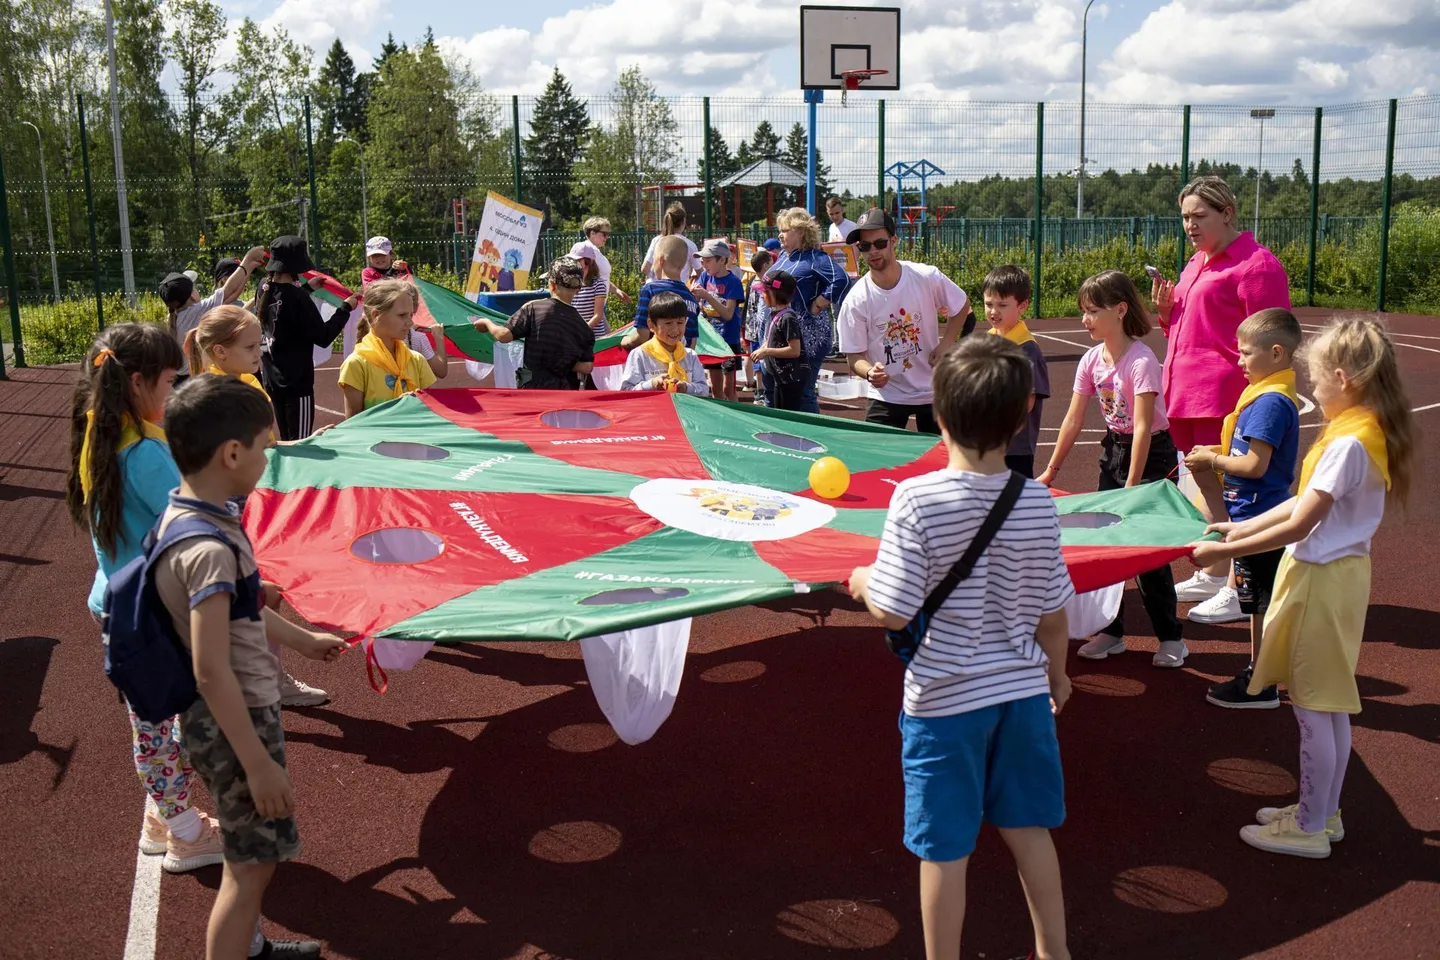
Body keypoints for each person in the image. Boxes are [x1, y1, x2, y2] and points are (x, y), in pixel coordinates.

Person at [848, 335, 1074, 960]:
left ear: (939, 416)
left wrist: (863, 580)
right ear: (1024, 414)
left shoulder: (916, 499)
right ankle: (1055, 951)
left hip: (944, 701)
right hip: (1023, 697)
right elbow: (1054, 612)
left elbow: (893, 607)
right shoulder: (1035, 501)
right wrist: (1057, 677)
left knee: (945, 847)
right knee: (1031, 830)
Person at [1188, 318, 1413, 859]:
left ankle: (1310, 826)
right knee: (1328, 706)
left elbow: (1300, 524)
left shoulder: (1349, 441)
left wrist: (1224, 553)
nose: (1313, 389)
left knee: (1313, 706)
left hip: (1321, 580)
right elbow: (1300, 503)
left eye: (1318, 380)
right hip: (1334, 578)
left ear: (1343, 377)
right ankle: (1322, 812)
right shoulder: (1362, 428)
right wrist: (1240, 528)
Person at [156, 375, 348, 958]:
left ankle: (250, 949)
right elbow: (211, 668)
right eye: (265, 446)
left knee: (254, 864)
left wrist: (303, 638)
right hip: (231, 723)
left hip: (225, 717)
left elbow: (241, 611)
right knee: (250, 869)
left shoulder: (192, 513)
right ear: (232, 453)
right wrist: (259, 763)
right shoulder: (211, 548)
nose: (270, 456)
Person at [64, 322, 227, 874]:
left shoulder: (103, 433)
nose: (174, 391)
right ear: (137, 383)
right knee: (160, 724)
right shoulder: (144, 455)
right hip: (149, 612)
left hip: (121, 600)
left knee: (160, 717)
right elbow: (190, 521)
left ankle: (165, 816)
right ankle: (183, 832)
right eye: (168, 381)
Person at [1153, 176, 1292, 610]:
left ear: (1227, 213)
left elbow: (1275, 337)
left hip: (1228, 396)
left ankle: (1240, 587)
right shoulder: (1195, 263)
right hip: (1186, 394)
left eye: (1199, 216)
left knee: (1239, 491)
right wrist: (1165, 312)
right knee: (1209, 486)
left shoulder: (1257, 265)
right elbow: (1186, 329)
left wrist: (1263, 396)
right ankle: (1215, 572)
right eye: (1184, 218)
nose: (1189, 226)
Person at [1040, 269, 1187, 668]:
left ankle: (1171, 637)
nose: (1084, 319)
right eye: (1083, 311)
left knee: (1147, 549)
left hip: (1152, 456)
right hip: (1114, 453)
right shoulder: (1091, 359)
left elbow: (1143, 428)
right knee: (1107, 545)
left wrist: (1134, 488)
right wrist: (1051, 470)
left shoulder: (1141, 361)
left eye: (1092, 311)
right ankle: (1113, 631)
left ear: (1120, 310)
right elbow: (1072, 420)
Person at [1182, 309, 1303, 708]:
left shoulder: (1270, 403)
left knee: (1263, 604)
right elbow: (1243, 452)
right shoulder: (1263, 396)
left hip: (1260, 517)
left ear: (1276, 353)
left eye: (1246, 353)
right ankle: (1259, 673)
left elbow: (1254, 465)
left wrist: (1215, 462)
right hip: (1248, 514)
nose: (1239, 361)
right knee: (1254, 603)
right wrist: (1215, 452)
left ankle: (1263, 683)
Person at [836, 208, 969, 434]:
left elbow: (962, 305)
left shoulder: (925, 277)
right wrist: (869, 372)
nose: (873, 251)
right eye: (864, 247)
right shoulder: (856, 300)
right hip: (887, 393)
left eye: (879, 243)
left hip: (933, 389)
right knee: (876, 459)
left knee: (943, 460)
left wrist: (947, 343)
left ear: (894, 241)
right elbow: (854, 357)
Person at [254, 236, 357, 440]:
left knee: (286, 437)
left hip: (272, 379)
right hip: (296, 384)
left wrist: (308, 288)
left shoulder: (263, 288)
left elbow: (284, 307)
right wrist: (345, 309)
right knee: (301, 443)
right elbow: (323, 336)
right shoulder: (298, 298)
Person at [472, 256, 595, 390]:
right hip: (563, 392)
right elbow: (587, 367)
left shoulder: (533, 309)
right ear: (578, 289)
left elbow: (503, 335)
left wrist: (487, 322)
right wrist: (560, 360)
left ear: (552, 285)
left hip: (533, 390)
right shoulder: (584, 328)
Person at [773, 207, 851, 413]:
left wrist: (818, 303)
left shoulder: (815, 258)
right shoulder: (783, 256)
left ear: (801, 232)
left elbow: (841, 279)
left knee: (804, 393)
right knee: (781, 393)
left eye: (786, 229)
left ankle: (814, 439)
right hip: (782, 335)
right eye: (780, 230)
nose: (780, 234)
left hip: (808, 337)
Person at [983, 265, 1049, 479]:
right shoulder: (988, 339)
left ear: (1022, 306)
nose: (994, 311)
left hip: (1014, 448)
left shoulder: (1026, 349)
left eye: (1002, 305)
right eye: (988, 304)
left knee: (1015, 503)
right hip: (986, 444)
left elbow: (1026, 403)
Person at [338, 279, 440, 416]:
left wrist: (418, 403)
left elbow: (430, 413)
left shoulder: (417, 360)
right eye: (402, 315)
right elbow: (353, 424)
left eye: (411, 315)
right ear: (376, 315)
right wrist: (396, 408)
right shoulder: (357, 364)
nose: (410, 322)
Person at [160, 246, 267, 364]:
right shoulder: (195, 312)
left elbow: (231, 295)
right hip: (193, 377)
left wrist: (250, 266)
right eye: (194, 289)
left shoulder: (178, 316)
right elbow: (228, 291)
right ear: (192, 296)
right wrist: (248, 258)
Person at [620, 291, 710, 395]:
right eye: (668, 323)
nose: (675, 329)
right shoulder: (640, 355)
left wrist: (686, 387)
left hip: (682, 410)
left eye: (680, 322)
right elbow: (626, 391)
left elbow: (704, 390)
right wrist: (651, 384)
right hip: (652, 410)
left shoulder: (690, 356)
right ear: (652, 325)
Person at [624, 235, 701, 350]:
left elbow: (643, 337)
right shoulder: (692, 298)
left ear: (661, 261)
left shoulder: (650, 290)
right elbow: (693, 344)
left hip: (654, 362)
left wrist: (625, 341)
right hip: (682, 363)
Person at [693, 238, 744, 402]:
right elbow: (698, 301)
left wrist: (707, 296)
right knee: (715, 388)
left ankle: (737, 420)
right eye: (702, 261)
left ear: (722, 260)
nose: (704, 264)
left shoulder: (733, 282)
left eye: (708, 260)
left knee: (728, 389)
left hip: (728, 340)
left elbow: (728, 314)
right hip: (711, 341)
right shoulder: (705, 278)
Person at [750, 270, 805, 410]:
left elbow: (794, 350)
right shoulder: (775, 314)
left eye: (764, 292)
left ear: (775, 293)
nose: (762, 296)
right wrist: (761, 349)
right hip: (780, 378)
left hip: (789, 380)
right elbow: (770, 338)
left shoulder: (788, 318)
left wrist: (767, 351)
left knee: (788, 417)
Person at [744, 248, 776, 405]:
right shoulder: (763, 285)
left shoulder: (751, 282)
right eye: (771, 263)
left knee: (756, 357)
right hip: (759, 328)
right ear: (765, 266)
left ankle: (759, 390)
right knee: (760, 358)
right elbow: (763, 310)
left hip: (751, 327)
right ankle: (761, 391)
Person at [640, 202, 700, 284]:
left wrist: (656, 279)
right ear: (683, 222)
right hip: (679, 290)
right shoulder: (689, 244)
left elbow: (645, 268)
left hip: (657, 290)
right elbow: (699, 271)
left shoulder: (656, 240)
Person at [582, 216, 629, 304]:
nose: (607, 237)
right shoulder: (586, 250)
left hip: (599, 303)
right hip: (590, 304)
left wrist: (616, 290)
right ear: (592, 233)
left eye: (608, 234)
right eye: (604, 234)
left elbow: (602, 277)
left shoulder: (595, 251)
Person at [567, 241, 610, 337]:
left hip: (593, 337)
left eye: (577, 260)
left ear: (588, 261)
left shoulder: (598, 285)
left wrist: (582, 330)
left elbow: (598, 316)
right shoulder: (572, 285)